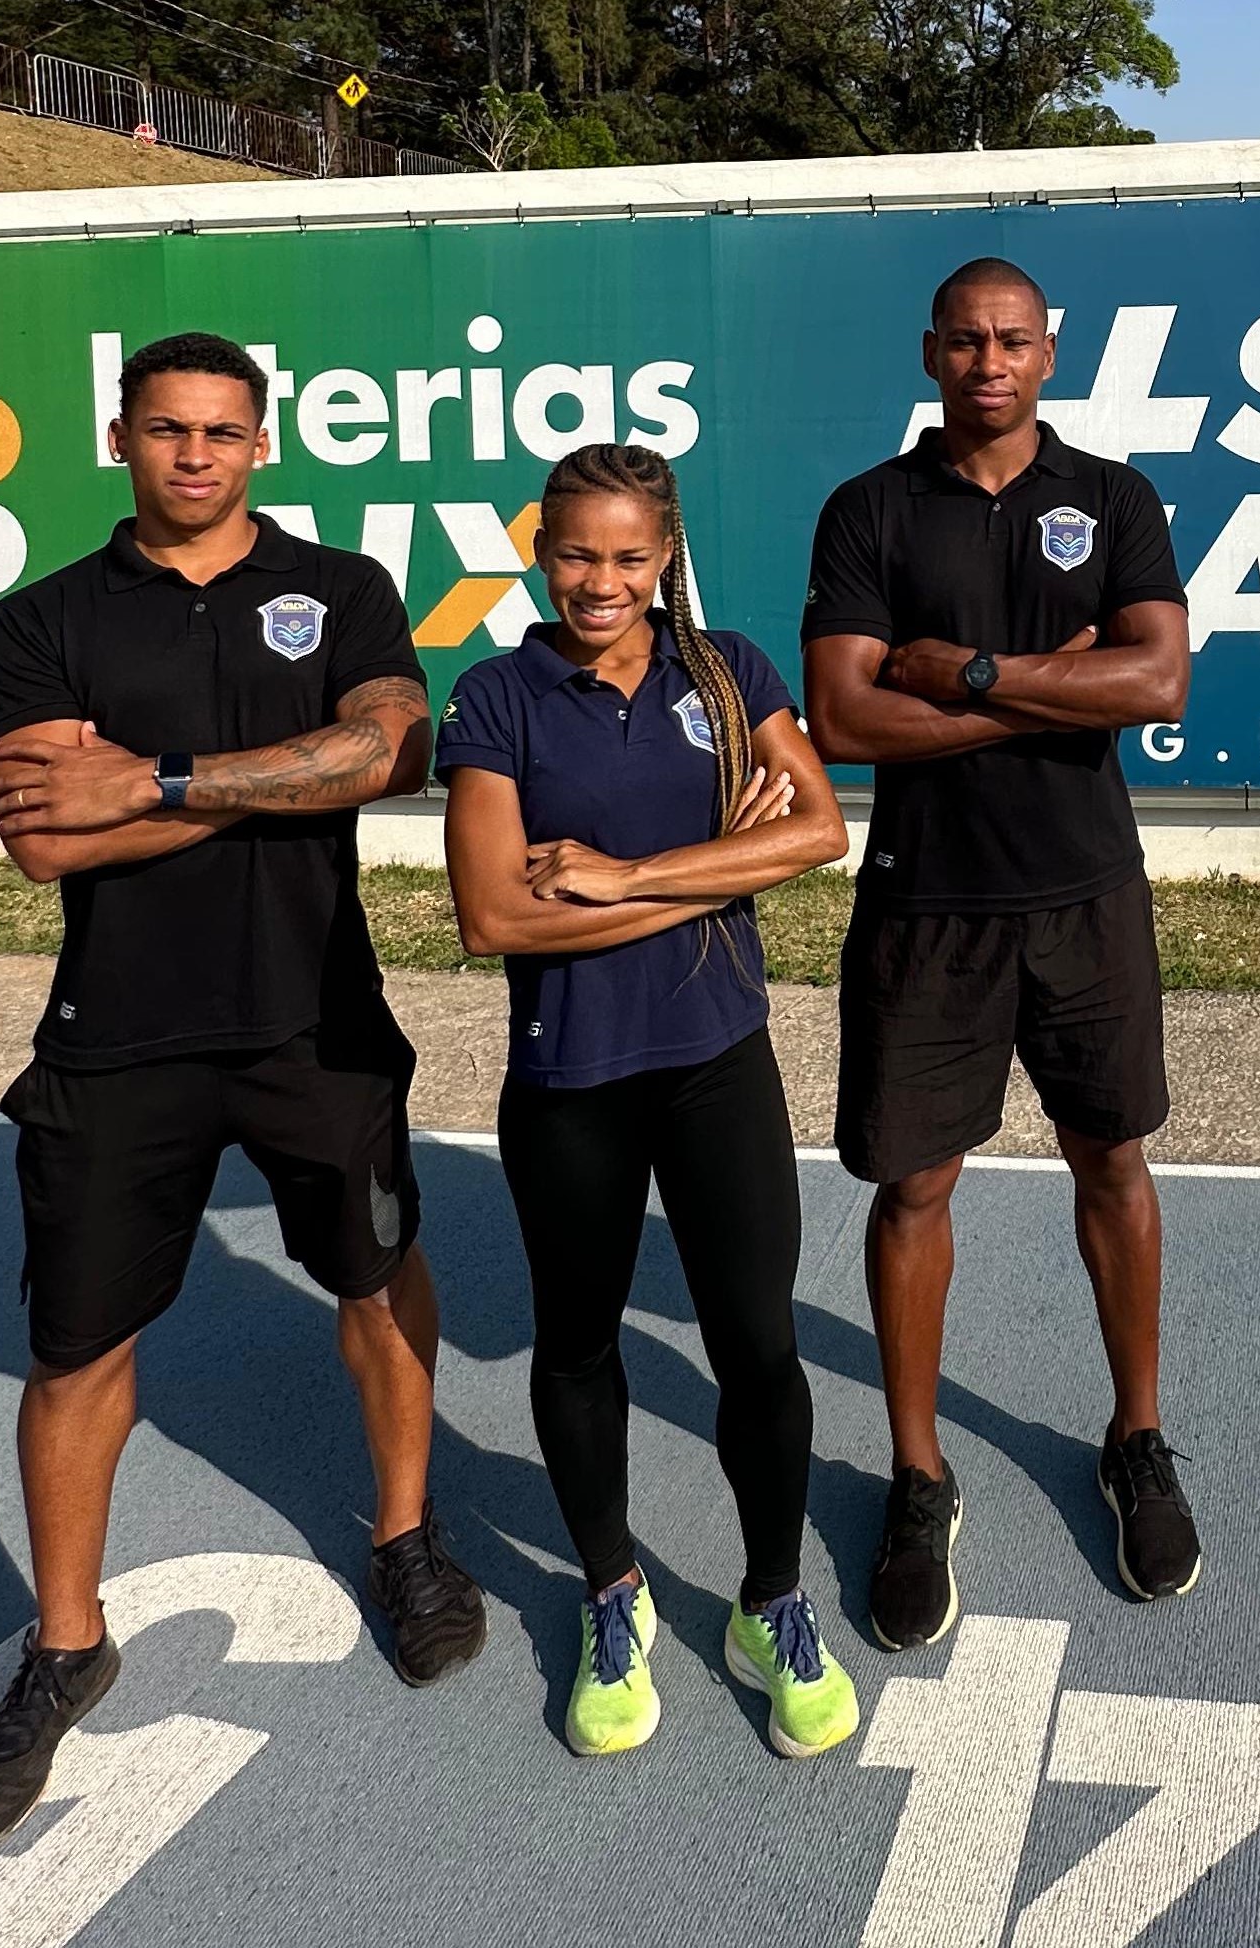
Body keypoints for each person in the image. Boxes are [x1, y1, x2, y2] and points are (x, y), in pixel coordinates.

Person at [0, 332, 485, 1851]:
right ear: (120, 438)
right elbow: (49, 836)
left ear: (263, 441)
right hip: (116, 1038)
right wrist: (276, 770)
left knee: (377, 1281)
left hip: (318, 1024)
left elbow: (387, 754)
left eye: (223, 432)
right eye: (168, 431)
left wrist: (160, 781)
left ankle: (406, 1539)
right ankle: (64, 1647)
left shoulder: (347, 586)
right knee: (77, 1347)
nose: (196, 456)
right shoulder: (41, 621)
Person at [437, 443, 861, 1758]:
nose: (600, 582)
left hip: (719, 1062)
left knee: (759, 1347)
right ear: (542, 549)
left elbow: (819, 832)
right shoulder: (497, 696)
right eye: (576, 554)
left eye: (628, 557)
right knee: (577, 1349)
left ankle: (771, 1603)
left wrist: (626, 879)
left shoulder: (727, 669)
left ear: (665, 553)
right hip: (570, 1083)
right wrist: (721, 865)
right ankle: (610, 1595)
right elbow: (494, 910)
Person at [801, 256, 1201, 1651]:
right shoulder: (870, 509)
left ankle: (1136, 1440)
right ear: (930, 353)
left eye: (1014, 340)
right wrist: (1053, 692)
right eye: (966, 341)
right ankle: (919, 1477)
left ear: (1050, 351)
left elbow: (1155, 683)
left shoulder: (1115, 498)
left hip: (1087, 897)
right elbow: (845, 722)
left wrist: (965, 674)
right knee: (913, 1190)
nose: (990, 361)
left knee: (1116, 1163)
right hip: (927, 907)